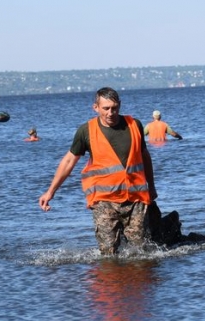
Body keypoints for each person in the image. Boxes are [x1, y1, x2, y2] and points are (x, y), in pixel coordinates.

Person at [38, 87, 158, 256]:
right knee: (109, 253)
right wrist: (50, 192)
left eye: (114, 108)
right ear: (96, 107)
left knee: (141, 252)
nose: (111, 113)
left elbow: (145, 157)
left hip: (136, 200)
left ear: (120, 106)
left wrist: (151, 187)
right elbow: (69, 161)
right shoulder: (86, 131)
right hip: (104, 201)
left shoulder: (134, 125)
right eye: (106, 108)